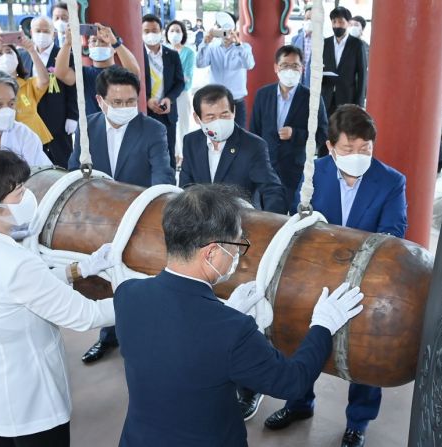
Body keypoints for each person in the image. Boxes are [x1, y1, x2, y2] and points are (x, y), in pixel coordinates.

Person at [114, 183, 365, 446]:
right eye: (235, 244)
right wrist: (323, 325)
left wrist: (225, 313)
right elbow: (291, 382)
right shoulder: (232, 331)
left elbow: (173, 345)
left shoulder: (127, 295)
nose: (237, 253)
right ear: (211, 252)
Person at [0, 149, 117, 446]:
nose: (28, 197)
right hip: (29, 394)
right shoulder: (14, 263)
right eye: (19, 193)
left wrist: (81, 268)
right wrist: (146, 296)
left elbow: (19, 291)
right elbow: (85, 315)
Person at [265, 105, 407, 447]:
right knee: (304, 338)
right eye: (349, 149)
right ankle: (299, 401)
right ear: (330, 146)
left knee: (366, 350)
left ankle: (358, 422)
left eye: (366, 149)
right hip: (316, 274)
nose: (358, 156)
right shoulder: (315, 171)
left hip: (366, 281)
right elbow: (300, 221)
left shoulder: (391, 181)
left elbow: (393, 233)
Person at [75, 67, 175, 363]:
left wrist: (160, 212)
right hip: (99, 220)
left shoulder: (153, 129)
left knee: (140, 280)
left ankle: (148, 340)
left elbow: (162, 174)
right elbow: (73, 170)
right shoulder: (86, 127)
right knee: (105, 281)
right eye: (117, 102)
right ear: (100, 100)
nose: (125, 108)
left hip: (140, 219)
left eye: (131, 101)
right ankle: (108, 335)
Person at [180, 84, 287, 214]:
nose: (218, 122)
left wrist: (271, 226)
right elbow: (185, 187)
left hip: (241, 221)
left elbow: (272, 190)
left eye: (224, 115)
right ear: (197, 118)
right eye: (211, 117)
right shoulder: (191, 141)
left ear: (234, 111)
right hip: (201, 222)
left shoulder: (253, 145)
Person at [250, 45, 328, 211]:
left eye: (295, 66)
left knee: (294, 214)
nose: (290, 70)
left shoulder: (312, 98)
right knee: (268, 215)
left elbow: (322, 133)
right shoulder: (263, 94)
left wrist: (295, 134)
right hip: (267, 166)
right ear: (276, 68)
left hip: (296, 168)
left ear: (302, 68)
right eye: (285, 65)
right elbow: (254, 131)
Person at [20, 16, 78, 168]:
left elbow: (73, 87)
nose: (41, 34)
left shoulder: (64, 54)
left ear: (53, 34)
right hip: (30, 116)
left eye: (46, 31)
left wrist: (73, 115)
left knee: (60, 159)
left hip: (57, 115)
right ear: (31, 33)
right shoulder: (24, 56)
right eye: (38, 31)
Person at [54, 22, 140, 120]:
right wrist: (67, 43)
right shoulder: (83, 73)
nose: (98, 44)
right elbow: (61, 73)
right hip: (93, 129)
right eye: (93, 41)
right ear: (88, 46)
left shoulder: (121, 73)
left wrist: (115, 43)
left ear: (113, 48)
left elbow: (135, 72)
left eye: (103, 41)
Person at [0, 31, 53, 148]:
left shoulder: (28, 84)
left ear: (17, 58)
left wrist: (32, 50)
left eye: (9, 52)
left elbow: (45, 80)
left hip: (33, 141)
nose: (5, 56)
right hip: (4, 143)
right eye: (0, 54)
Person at [196, 14, 255, 129]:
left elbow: (249, 64)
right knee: (215, 136)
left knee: (239, 138)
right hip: (214, 101)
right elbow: (200, 63)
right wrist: (205, 43)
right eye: (221, 29)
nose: (225, 33)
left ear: (234, 29)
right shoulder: (212, 47)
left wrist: (238, 43)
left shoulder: (244, 47)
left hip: (236, 101)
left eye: (228, 29)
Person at [142, 14, 185, 170]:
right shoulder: (137, 54)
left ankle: (171, 188)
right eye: (146, 31)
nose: (151, 34)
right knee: (146, 154)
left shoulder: (171, 55)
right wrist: (146, 100)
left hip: (167, 113)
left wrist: (169, 99)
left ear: (161, 31)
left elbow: (180, 82)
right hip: (145, 111)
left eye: (154, 30)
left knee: (168, 152)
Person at [321, 7, 367, 128]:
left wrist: (359, 102)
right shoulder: (325, 43)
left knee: (344, 129)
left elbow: (362, 74)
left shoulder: (357, 45)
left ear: (348, 23)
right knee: (326, 130)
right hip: (326, 96)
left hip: (347, 97)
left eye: (341, 22)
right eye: (334, 22)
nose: (337, 25)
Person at [165, 20, 195, 168]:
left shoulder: (188, 52)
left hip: (182, 94)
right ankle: (172, 154)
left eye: (178, 30)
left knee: (183, 125)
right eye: (171, 31)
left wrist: (175, 79)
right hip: (166, 95)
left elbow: (187, 76)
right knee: (169, 125)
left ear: (183, 34)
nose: (175, 34)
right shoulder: (164, 50)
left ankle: (182, 155)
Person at [290, 5, 313, 86]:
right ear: (304, 20)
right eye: (307, 18)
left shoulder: (323, 41)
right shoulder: (294, 40)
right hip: (297, 82)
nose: (309, 21)